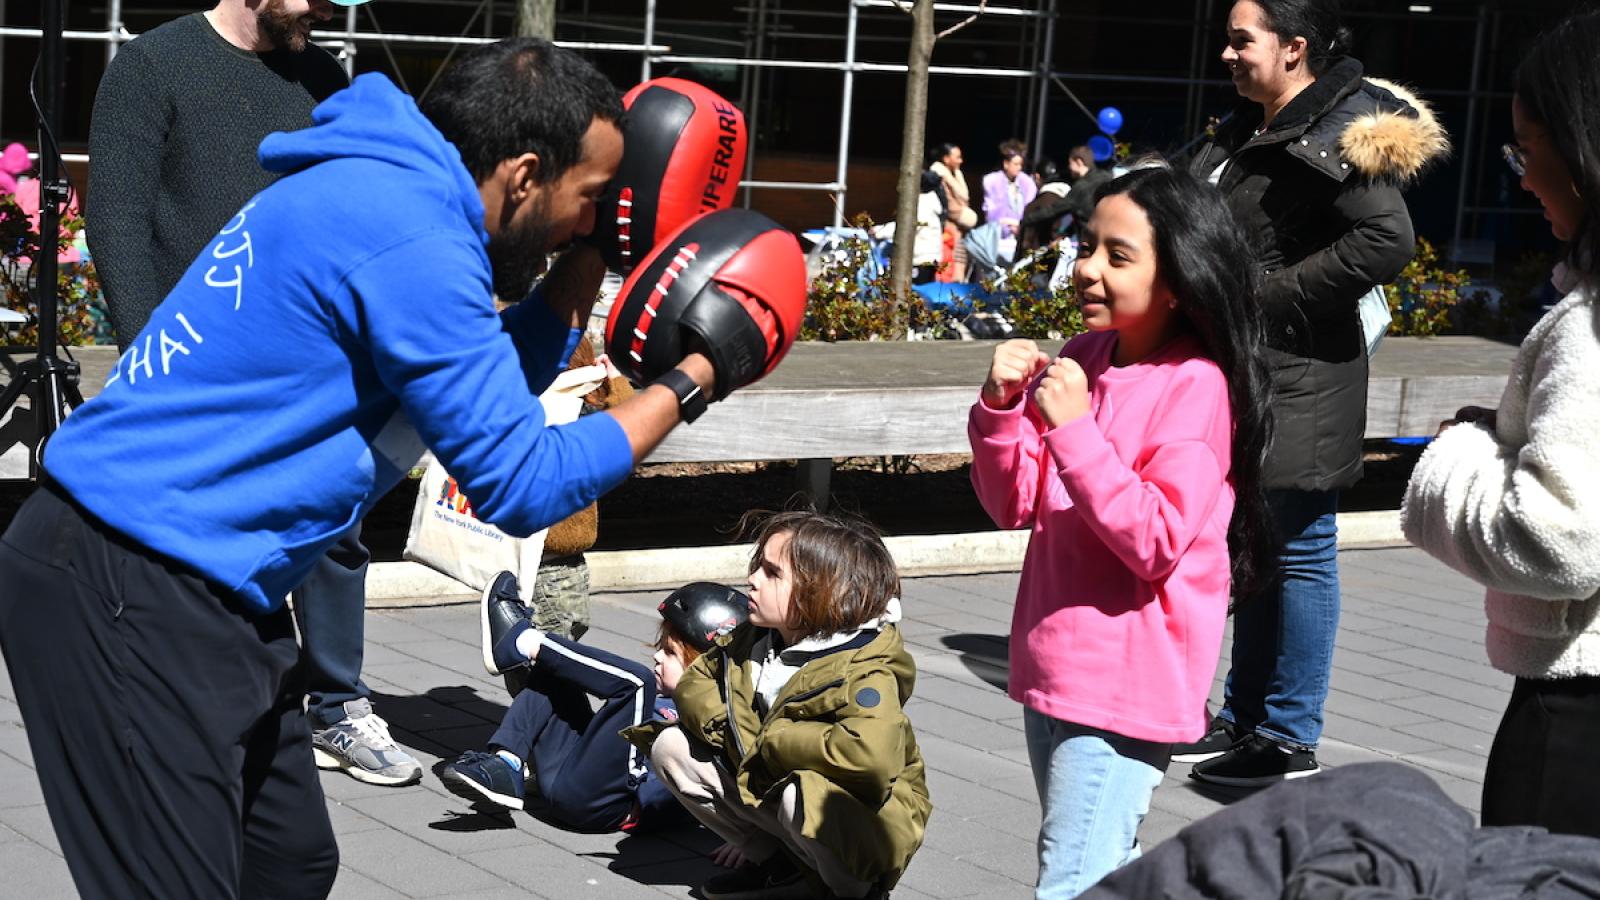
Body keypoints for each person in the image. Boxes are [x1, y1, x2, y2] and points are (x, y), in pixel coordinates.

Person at [0, 38, 758, 899]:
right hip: (125, 582)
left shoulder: (384, 191)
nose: (587, 219)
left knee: (286, 861)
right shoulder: (413, 240)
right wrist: (698, 375)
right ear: (522, 174)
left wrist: (598, 254)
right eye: (587, 200)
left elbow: (484, 386)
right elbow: (521, 481)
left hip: (205, 581)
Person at [84, 0, 422, 787]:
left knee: (333, 521)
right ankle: (185, 711)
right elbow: (118, 218)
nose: (325, 10)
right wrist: (154, 355)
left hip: (308, 348)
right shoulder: (153, 66)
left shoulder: (322, 72)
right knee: (198, 542)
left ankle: (337, 705)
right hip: (197, 360)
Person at [968, 166, 1276, 897]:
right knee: (1099, 870)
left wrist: (1073, 429)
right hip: (1055, 667)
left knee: (1071, 883)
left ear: (1179, 279)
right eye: (1086, 244)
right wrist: (1000, 409)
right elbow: (1015, 502)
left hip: (1125, 684)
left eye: (1117, 254)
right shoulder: (1084, 357)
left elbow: (1155, 539)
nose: (1086, 268)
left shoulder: (1194, 386)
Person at [1176, 0, 1447, 786]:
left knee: (1297, 549)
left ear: (1295, 48)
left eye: (1241, 40)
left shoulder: (1335, 127)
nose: (1227, 55)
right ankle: (1244, 716)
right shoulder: (1254, 125)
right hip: (1263, 375)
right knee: (1261, 545)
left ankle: (1288, 736)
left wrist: (1265, 298)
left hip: (1303, 377)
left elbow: (1386, 239)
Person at [1402, 12, 1600, 838]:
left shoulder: (1587, 331)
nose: (1520, 177)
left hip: (1575, 722)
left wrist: (1458, 456)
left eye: (1526, 149)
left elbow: (1559, 539)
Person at [627, 510, 931, 900]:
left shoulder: (865, 669)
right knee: (671, 746)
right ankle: (781, 866)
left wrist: (773, 739)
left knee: (801, 797)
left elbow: (869, 757)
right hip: (770, 777)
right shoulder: (756, 636)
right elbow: (696, 681)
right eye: (757, 567)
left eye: (771, 573)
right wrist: (731, 728)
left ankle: (852, 891)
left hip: (867, 822)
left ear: (819, 592)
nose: (752, 580)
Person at [442, 580, 748, 833]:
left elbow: (738, 788)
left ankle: (523, 641)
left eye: (669, 652)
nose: (657, 657)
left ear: (706, 668)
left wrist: (742, 840)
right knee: (557, 676)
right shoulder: (663, 701)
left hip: (608, 806)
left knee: (636, 682)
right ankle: (506, 765)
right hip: (571, 779)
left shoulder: (719, 720)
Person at [982, 138, 1039, 266]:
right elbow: (991, 213)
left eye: (1021, 164)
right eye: (1015, 164)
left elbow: (1029, 210)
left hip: (1020, 237)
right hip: (998, 237)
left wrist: (1021, 226)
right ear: (1006, 164)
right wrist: (1007, 225)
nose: (1019, 168)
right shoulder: (992, 182)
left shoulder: (1027, 184)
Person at [930, 142, 977, 282]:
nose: (960, 161)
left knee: (959, 264)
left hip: (959, 230)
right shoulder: (939, 177)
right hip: (948, 229)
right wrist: (965, 215)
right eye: (957, 157)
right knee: (948, 266)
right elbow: (948, 204)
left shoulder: (955, 174)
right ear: (946, 159)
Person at [1061, 145, 1113, 241]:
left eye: (1070, 163)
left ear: (1079, 162)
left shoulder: (1082, 185)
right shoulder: (1107, 177)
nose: (1069, 167)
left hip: (1088, 238)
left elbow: (1058, 207)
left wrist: (1029, 218)